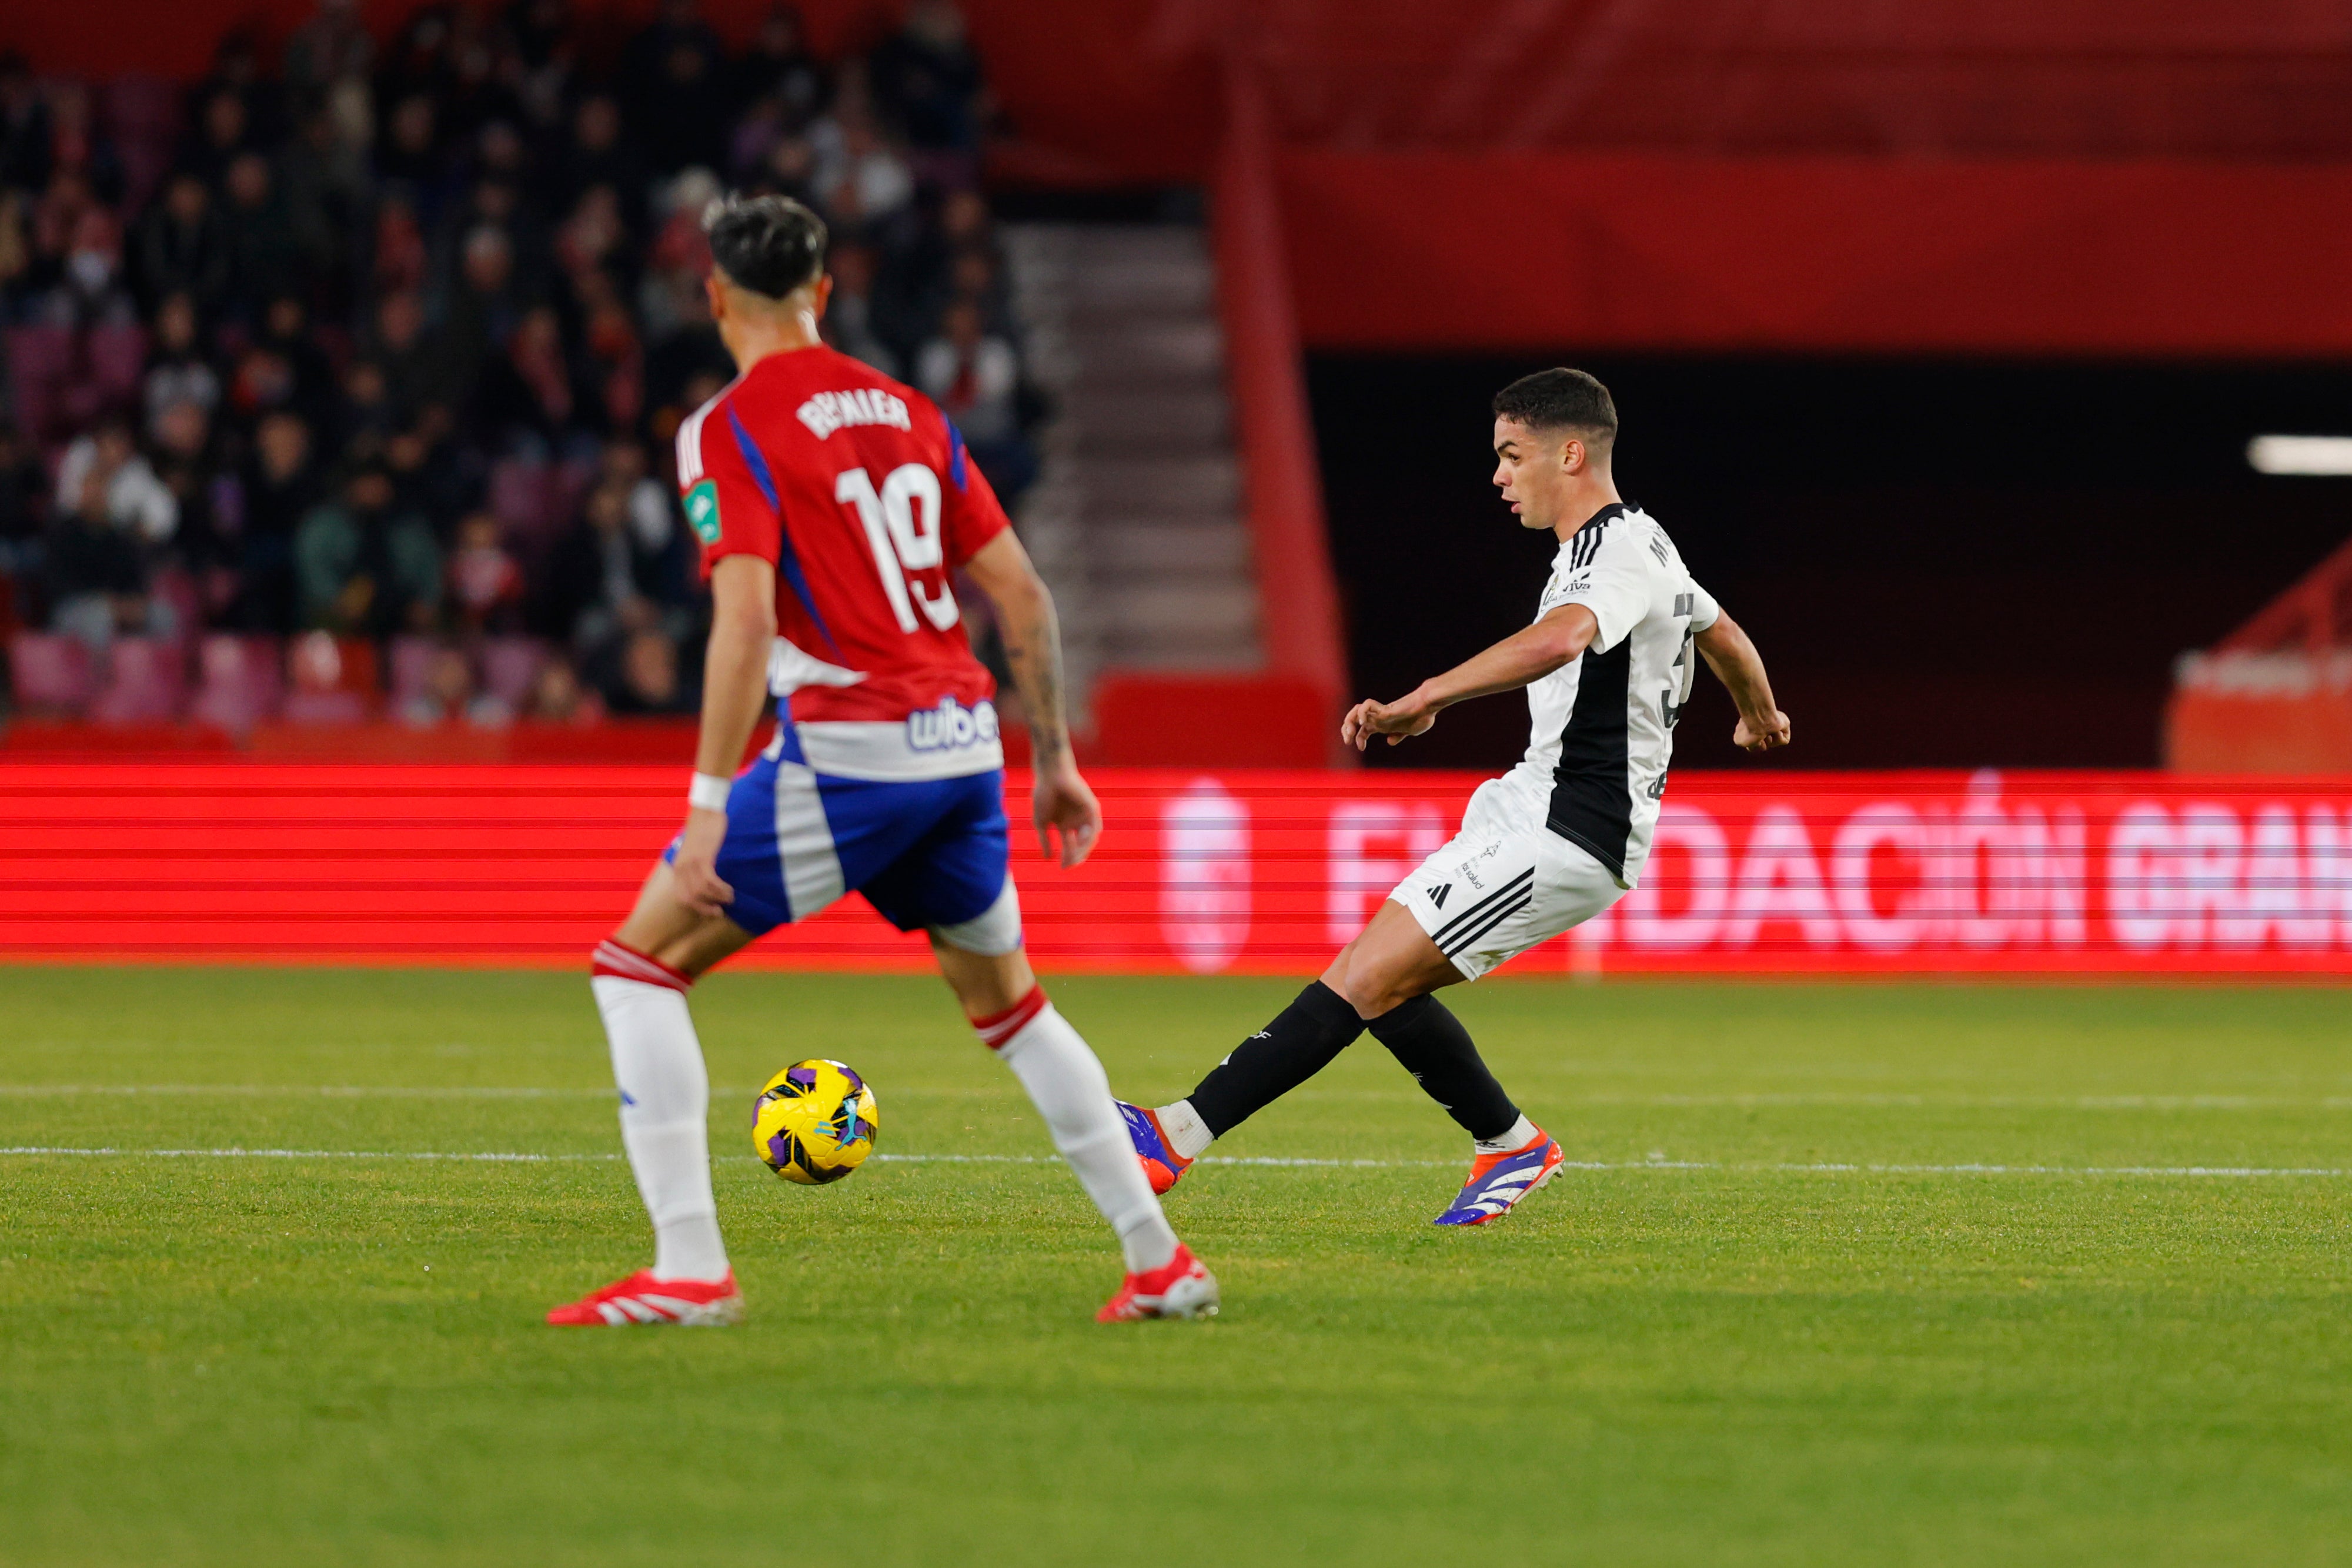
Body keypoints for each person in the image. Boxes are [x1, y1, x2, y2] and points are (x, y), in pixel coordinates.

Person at [545, 194, 1214, 1328]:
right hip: (963, 748)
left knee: (637, 967)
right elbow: (1023, 593)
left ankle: (691, 1271)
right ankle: (1159, 1262)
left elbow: (746, 623)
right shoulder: (912, 411)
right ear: (826, 292)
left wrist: (707, 805)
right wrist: (1053, 759)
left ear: (715, 299)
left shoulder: (728, 426)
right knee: (1009, 1005)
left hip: (852, 750)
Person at [1116, 369, 1794, 1226]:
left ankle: (1174, 1137)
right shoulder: (1648, 541)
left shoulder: (1612, 555)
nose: (1500, 476)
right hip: (1531, 806)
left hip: (1569, 831)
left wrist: (1426, 696)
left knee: (1364, 977)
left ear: (1571, 453)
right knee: (1380, 978)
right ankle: (1510, 1147)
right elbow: (1720, 629)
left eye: (1513, 456)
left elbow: (1563, 638)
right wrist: (1759, 713)